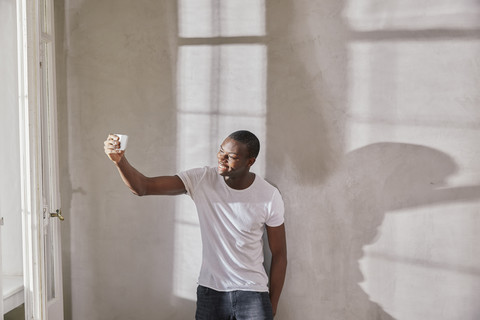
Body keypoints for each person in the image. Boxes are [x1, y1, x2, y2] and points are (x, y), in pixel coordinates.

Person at [104, 130, 287, 320]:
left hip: (253, 294)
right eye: (220, 151)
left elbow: (280, 253)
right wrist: (119, 161)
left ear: (250, 161)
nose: (221, 158)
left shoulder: (269, 195)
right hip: (211, 293)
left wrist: (272, 305)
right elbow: (143, 187)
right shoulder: (202, 179)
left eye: (231, 156)